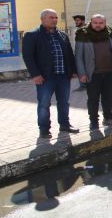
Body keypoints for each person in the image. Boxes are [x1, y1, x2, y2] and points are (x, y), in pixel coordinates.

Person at [22, 9, 79, 139]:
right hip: (46, 77)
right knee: (44, 104)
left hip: (63, 76)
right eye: (51, 17)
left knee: (64, 102)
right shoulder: (33, 35)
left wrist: (73, 70)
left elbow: (69, 54)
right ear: (42, 19)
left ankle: (64, 124)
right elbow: (28, 56)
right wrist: (35, 74)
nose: (54, 20)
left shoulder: (62, 35)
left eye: (56, 17)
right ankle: (44, 129)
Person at [75, 14, 112, 130]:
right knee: (93, 98)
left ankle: (108, 118)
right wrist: (82, 74)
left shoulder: (111, 33)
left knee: (108, 97)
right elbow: (78, 57)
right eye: (95, 23)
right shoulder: (83, 35)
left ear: (105, 23)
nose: (98, 25)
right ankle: (93, 121)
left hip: (110, 72)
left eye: (101, 23)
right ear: (91, 22)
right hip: (92, 74)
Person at [73, 14, 87, 91]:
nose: (76, 22)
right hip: (79, 52)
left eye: (78, 20)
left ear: (83, 21)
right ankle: (82, 85)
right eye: (75, 21)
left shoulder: (87, 29)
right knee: (80, 68)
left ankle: (86, 85)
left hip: (86, 52)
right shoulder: (78, 30)